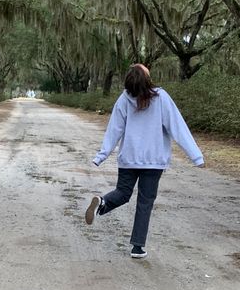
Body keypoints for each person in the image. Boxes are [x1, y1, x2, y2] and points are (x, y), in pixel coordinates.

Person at [86, 63, 205, 259]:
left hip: (129, 159)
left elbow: (114, 130)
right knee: (145, 202)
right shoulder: (161, 97)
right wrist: (196, 157)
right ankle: (137, 247)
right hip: (154, 161)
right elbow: (178, 126)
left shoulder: (124, 99)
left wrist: (101, 155)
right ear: (147, 78)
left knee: (123, 193)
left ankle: (102, 202)